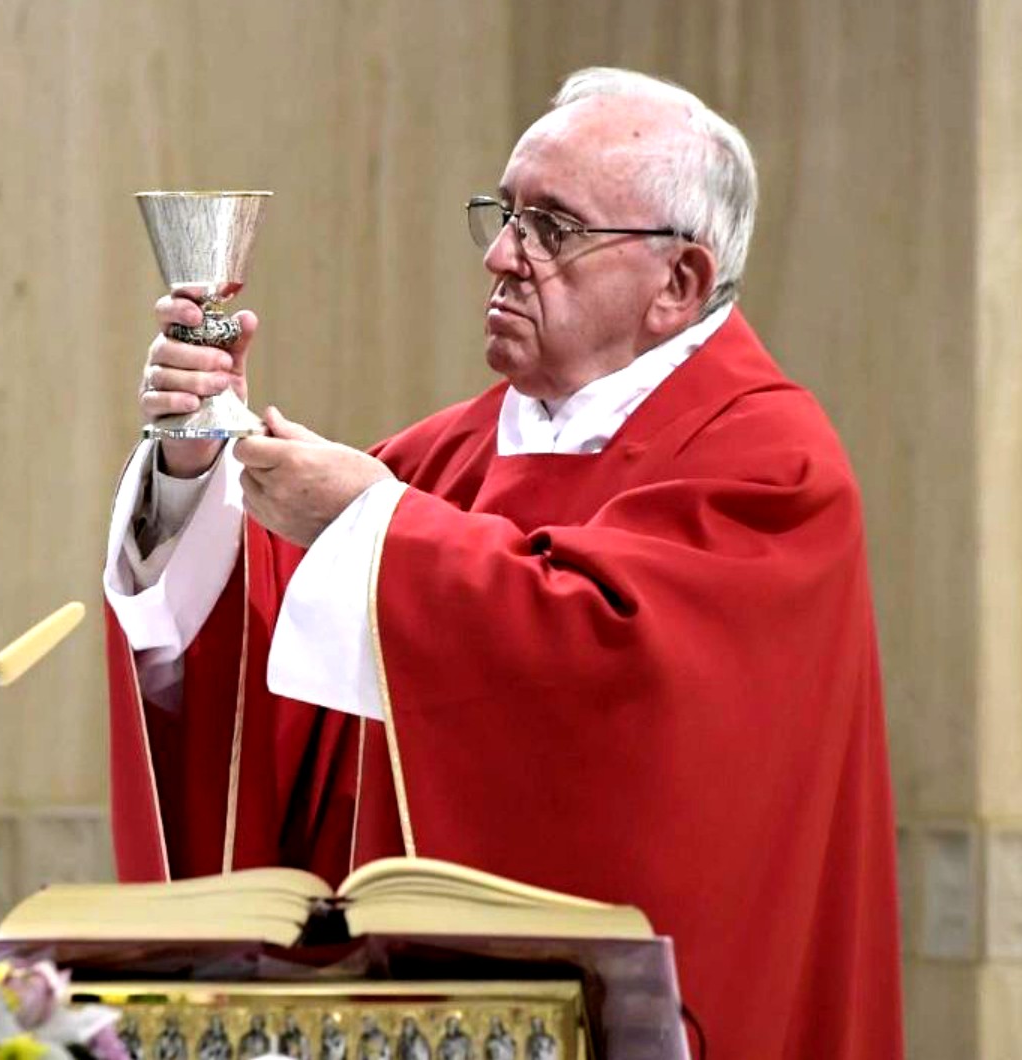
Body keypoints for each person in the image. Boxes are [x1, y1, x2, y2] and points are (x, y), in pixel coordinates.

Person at [100, 67, 901, 1058]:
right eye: (503, 211)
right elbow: (269, 704)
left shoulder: (772, 465)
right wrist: (194, 464)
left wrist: (367, 525)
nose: (500, 254)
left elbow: (627, 687)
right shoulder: (438, 461)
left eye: (552, 229)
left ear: (679, 283)